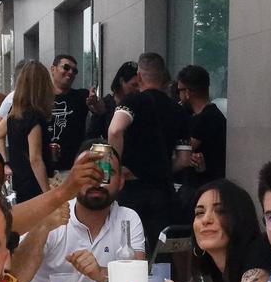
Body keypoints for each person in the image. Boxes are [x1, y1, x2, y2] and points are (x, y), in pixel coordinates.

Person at [16, 142, 144, 282]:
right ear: (73, 178)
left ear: (121, 181)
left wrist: (100, 273)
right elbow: (13, 280)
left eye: (106, 173)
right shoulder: (53, 212)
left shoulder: (128, 218)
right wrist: (42, 227)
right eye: (89, 174)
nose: (97, 182)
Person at [162, 178, 271, 282]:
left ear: (240, 217)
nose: (206, 220)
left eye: (220, 211)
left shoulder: (259, 252)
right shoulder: (218, 266)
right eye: (199, 213)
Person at [107, 52, 188, 239]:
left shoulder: (132, 102)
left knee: (130, 244)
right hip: (163, 191)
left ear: (139, 76)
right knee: (159, 251)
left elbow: (114, 130)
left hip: (131, 189)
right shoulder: (178, 110)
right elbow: (183, 160)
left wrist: (114, 168)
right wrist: (161, 168)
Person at [0, 60, 54, 205]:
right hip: (34, 185)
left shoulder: (14, 115)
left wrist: (5, 162)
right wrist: (48, 194)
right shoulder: (34, 116)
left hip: (19, 182)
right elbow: (35, 159)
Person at [174, 63, 226, 188]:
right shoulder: (208, 115)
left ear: (187, 92)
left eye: (179, 90)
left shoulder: (206, 118)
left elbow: (183, 152)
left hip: (203, 186)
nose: (178, 95)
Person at [45, 54, 90, 171]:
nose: (70, 72)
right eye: (66, 67)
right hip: (44, 167)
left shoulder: (81, 96)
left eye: (74, 71)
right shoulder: (39, 98)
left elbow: (100, 110)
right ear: (53, 69)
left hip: (74, 167)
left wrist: (95, 102)